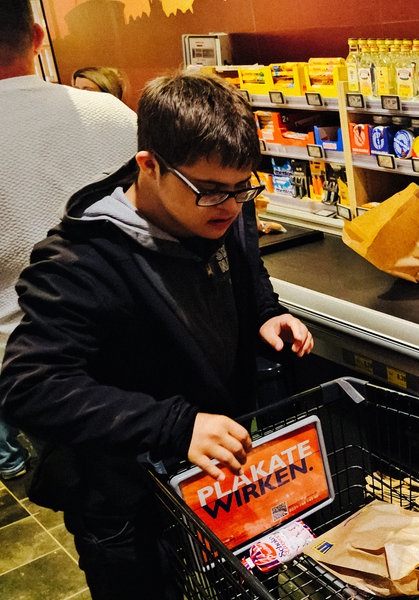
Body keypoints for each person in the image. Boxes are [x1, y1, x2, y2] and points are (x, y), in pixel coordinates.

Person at [0, 70, 313, 599]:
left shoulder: (222, 200)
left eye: (243, 189)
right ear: (149, 165)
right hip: (127, 504)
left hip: (218, 480)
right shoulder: (80, 260)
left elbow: (246, 268)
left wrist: (265, 311)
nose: (232, 208)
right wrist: (175, 425)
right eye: (213, 193)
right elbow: (29, 385)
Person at [0, 0, 137, 480]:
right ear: (38, 39)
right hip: (144, 344)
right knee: (180, 492)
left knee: (99, 506)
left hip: (45, 378)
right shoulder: (114, 114)